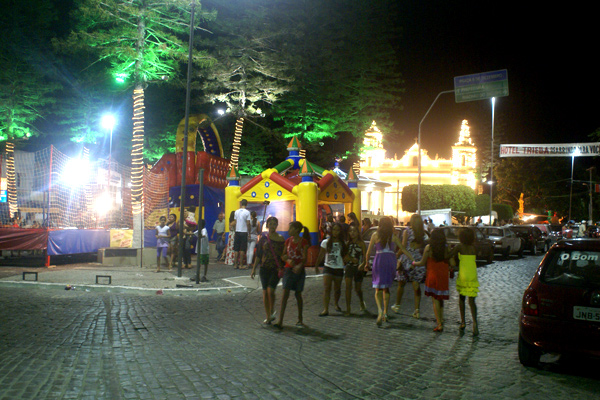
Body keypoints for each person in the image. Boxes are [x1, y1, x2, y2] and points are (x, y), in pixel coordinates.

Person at [365, 216, 414, 326]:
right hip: (390, 261)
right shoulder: (393, 236)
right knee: (386, 288)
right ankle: (386, 313)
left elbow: (368, 252)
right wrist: (413, 259)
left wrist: (366, 263)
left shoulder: (375, 235)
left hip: (379, 260)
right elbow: (403, 249)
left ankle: (380, 310)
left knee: (378, 288)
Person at [412, 228, 451, 332]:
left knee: (435, 300)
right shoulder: (446, 248)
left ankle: (439, 323)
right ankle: (441, 319)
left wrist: (413, 263)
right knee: (441, 298)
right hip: (443, 275)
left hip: (432, 275)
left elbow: (422, 262)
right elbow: (451, 261)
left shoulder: (429, 248)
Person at [274, 221, 310, 329]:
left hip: (299, 271)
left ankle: (300, 319)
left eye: (290, 228)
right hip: (289, 270)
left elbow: (305, 258)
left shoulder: (304, 242)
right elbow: (283, 255)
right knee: (285, 294)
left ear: (297, 230)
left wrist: (300, 266)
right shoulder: (288, 241)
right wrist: (287, 260)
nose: (288, 230)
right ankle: (280, 320)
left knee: (298, 294)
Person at [251, 216, 285, 325]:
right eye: (270, 224)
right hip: (264, 268)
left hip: (275, 268)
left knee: (271, 290)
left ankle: (272, 309)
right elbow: (259, 254)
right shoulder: (263, 239)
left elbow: (284, 254)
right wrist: (253, 269)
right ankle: (268, 316)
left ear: (277, 225)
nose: (272, 226)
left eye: (274, 224)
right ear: (267, 225)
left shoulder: (281, 239)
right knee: (265, 292)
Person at [392, 214, 426, 318]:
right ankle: (417, 310)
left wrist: (397, 256)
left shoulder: (407, 231)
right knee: (416, 286)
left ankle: (397, 305)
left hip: (407, 259)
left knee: (401, 283)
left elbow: (403, 246)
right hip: (418, 260)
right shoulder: (423, 233)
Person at [448, 228, 479, 336]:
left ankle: (463, 321)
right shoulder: (474, 247)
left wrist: (448, 248)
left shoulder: (459, 247)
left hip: (463, 274)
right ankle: (475, 323)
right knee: (472, 300)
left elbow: (449, 255)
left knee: (462, 298)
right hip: (472, 274)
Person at [315, 223, 347, 316]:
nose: (335, 232)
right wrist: (316, 265)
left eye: (338, 230)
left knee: (337, 289)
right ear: (331, 231)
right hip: (328, 267)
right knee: (327, 288)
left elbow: (345, 256)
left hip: (339, 268)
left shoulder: (343, 243)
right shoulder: (325, 242)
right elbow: (321, 254)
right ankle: (325, 309)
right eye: (334, 230)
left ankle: (336, 304)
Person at [345, 224, 367, 315]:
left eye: (354, 231)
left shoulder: (361, 243)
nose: (352, 233)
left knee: (358, 289)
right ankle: (348, 308)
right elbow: (345, 256)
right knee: (348, 287)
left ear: (358, 232)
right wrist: (350, 259)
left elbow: (365, 256)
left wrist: (363, 264)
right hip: (349, 267)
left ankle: (361, 301)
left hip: (358, 268)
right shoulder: (347, 243)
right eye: (350, 231)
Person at [233, 199, 251, 269]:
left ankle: (235, 264)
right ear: (246, 204)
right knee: (243, 249)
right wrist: (249, 232)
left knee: (236, 249)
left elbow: (235, 222)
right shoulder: (247, 212)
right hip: (244, 232)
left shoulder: (236, 212)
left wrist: (235, 231)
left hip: (237, 231)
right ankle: (241, 264)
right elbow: (248, 223)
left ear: (241, 204)